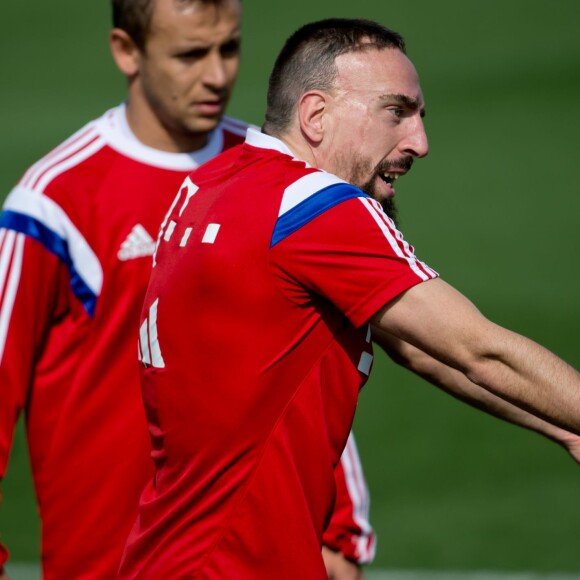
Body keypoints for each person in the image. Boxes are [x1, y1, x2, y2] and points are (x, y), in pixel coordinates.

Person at [118, 17, 580, 579]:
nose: (420, 143)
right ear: (315, 115)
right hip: (241, 565)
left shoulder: (212, 184)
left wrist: (562, 426)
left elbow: (418, 347)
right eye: (396, 112)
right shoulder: (316, 207)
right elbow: (478, 349)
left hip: (164, 557)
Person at [0, 2, 373, 579]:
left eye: (228, 48)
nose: (219, 75)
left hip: (251, 563)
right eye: (190, 54)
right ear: (127, 51)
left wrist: (339, 532)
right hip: (102, 565)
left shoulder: (276, 177)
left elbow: (314, 356)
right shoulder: (53, 202)